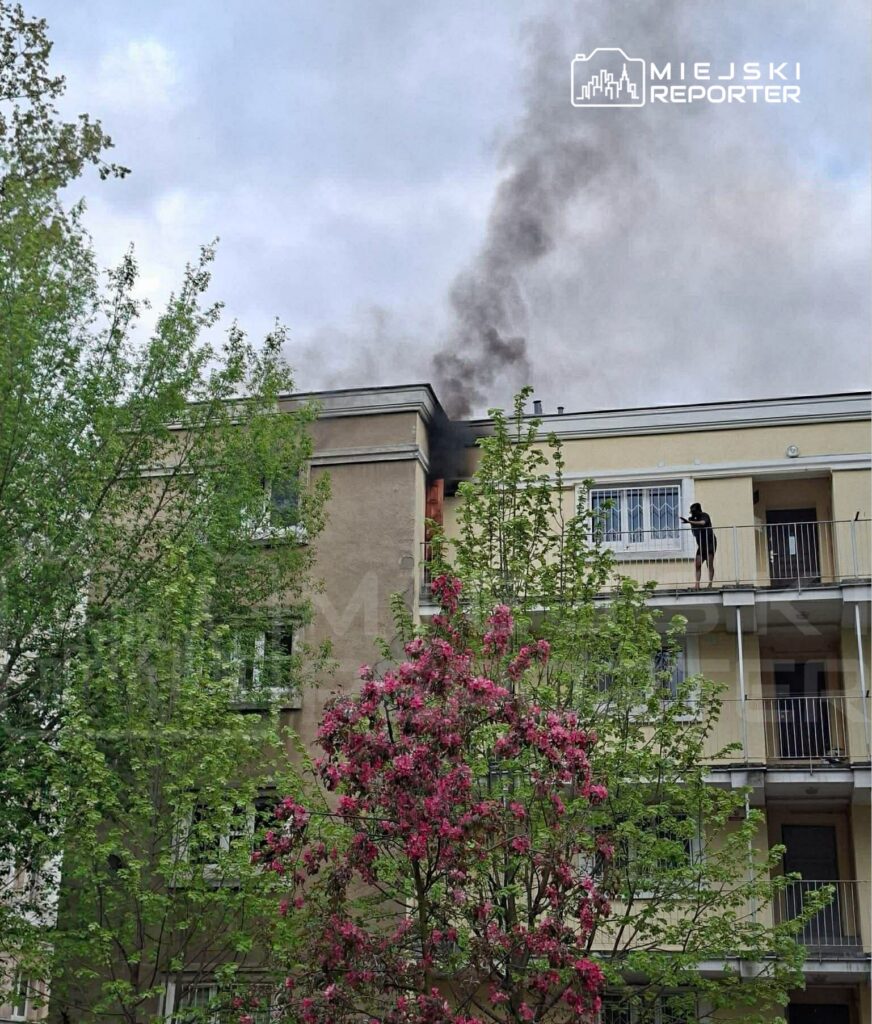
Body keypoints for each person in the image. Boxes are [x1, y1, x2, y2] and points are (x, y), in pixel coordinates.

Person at [681, 502, 716, 589]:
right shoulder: (693, 518)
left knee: (709, 563)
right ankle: (697, 584)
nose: (693, 513)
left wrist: (689, 521)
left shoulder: (704, 515)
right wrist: (690, 521)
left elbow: (703, 523)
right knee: (697, 564)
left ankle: (710, 584)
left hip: (710, 542)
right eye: (692, 512)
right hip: (701, 544)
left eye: (694, 512)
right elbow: (694, 530)